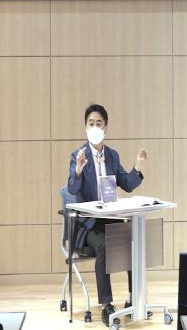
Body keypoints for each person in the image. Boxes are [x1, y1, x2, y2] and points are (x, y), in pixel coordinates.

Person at [68, 104, 147, 325]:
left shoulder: (112, 155)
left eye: (99, 123)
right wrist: (78, 170)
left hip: (111, 219)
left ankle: (134, 299)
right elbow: (72, 188)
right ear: (86, 127)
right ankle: (106, 305)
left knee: (134, 240)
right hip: (89, 225)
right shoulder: (78, 155)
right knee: (105, 244)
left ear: (106, 127)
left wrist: (137, 168)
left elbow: (127, 184)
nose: (95, 127)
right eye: (91, 123)